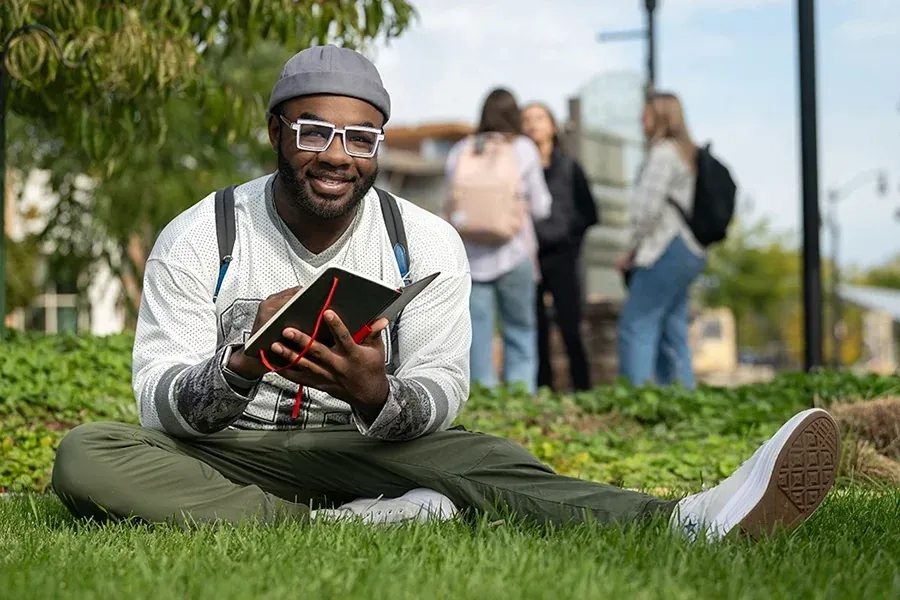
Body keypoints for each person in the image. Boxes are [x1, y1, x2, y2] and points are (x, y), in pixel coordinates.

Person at [51, 47, 840, 544]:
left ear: (378, 147)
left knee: (483, 456)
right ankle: (334, 530)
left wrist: (375, 391)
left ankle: (686, 520)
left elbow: (444, 388)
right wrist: (239, 365)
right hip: (230, 454)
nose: (337, 155)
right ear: (276, 133)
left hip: (369, 450)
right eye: (314, 132)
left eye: (360, 138)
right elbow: (156, 400)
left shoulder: (423, 241)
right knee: (87, 453)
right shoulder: (202, 234)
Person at [444, 88, 552, 395]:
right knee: (520, 328)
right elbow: (542, 206)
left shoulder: (462, 149)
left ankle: (485, 395)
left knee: (478, 332)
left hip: (472, 258)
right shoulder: (523, 149)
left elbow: (451, 201)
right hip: (515, 253)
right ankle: (521, 396)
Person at [616, 92, 706, 389]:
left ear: (661, 117)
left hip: (665, 247)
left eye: (646, 115)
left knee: (636, 325)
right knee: (672, 328)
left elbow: (647, 209)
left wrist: (631, 250)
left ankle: (637, 400)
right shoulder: (684, 154)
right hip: (688, 249)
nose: (641, 121)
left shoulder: (663, 153)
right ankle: (683, 398)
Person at [521, 102, 598, 392]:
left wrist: (568, 237)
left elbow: (590, 213)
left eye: (539, 118)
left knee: (570, 327)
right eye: (526, 119)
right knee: (535, 329)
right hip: (529, 257)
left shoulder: (569, 167)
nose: (532, 124)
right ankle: (542, 390)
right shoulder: (517, 169)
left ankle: (583, 390)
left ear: (553, 125)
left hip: (564, 257)